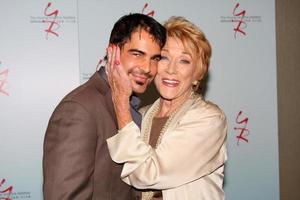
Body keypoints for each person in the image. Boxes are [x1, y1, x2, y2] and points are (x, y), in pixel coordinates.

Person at [43, 13, 166, 200]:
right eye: (137, 54)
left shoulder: (132, 106)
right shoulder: (79, 109)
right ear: (112, 52)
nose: (147, 68)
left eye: (155, 58)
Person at [106, 16, 228, 200]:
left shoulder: (209, 119)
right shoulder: (140, 114)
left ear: (198, 73)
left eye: (184, 61)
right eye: (163, 57)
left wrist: (121, 103)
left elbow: (147, 174)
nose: (171, 69)